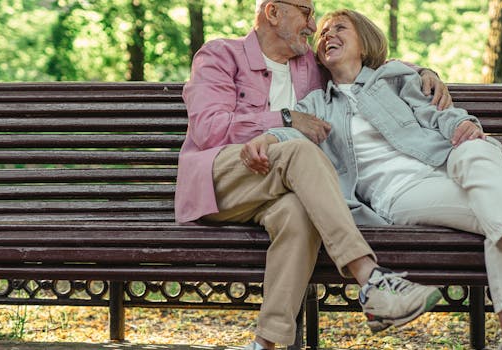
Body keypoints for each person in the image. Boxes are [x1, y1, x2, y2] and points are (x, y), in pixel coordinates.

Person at [242, 9, 502, 350]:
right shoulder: (318, 103)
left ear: (364, 42)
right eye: (323, 33)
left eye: (340, 28)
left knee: (481, 150)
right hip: (400, 194)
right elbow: (291, 133)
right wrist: (267, 140)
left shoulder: (396, 79)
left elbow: (438, 114)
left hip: (445, 163)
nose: (327, 36)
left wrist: (462, 124)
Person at [175, 1, 453, 349]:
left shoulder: (309, 63)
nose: (313, 24)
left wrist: (426, 71)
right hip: (222, 181)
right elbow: (208, 129)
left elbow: (364, 62)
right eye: (306, 12)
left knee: (299, 213)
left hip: (276, 187)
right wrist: (287, 119)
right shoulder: (220, 55)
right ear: (274, 13)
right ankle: (370, 278)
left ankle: (266, 344)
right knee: (299, 149)